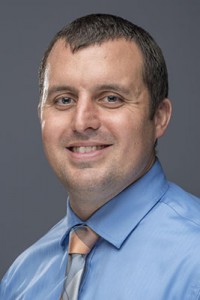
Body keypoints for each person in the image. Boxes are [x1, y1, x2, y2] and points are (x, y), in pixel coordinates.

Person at [1, 13, 200, 300]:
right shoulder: (22, 278)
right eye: (64, 100)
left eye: (110, 98)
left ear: (159, 118)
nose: (82, 122)